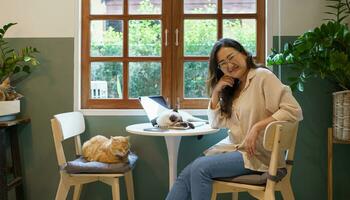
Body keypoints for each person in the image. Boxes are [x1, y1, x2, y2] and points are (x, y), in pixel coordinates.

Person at [165, 38, 303, 200]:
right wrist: (216, 91)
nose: (229, 65)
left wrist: (257, 127)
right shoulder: (234, 87)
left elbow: (293, 110)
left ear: (244, 54)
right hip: (238, 150)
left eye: (231, 57)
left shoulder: (262, 77)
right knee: (187, 174)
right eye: (223, 63)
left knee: (199, 168)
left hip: (258, 155)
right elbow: (216, 122)